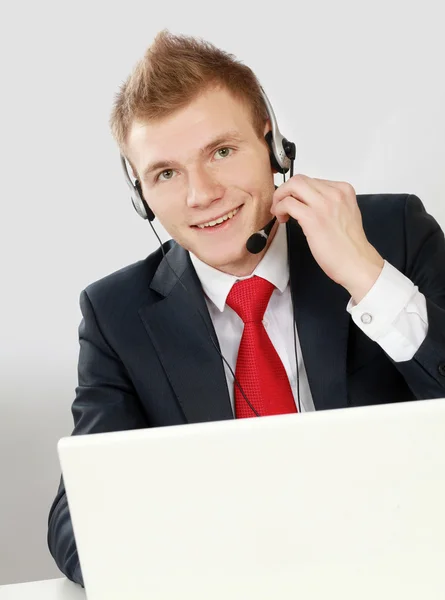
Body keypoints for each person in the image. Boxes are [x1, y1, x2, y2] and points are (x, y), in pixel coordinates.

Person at [47, 30, 445, 586]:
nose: (200, 194)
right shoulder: (116, 314)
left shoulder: (391, 234)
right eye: (166, 173)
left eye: (222, 152)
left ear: (273, 147)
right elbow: (73, 526)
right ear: (140, 195)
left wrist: (365, 276)